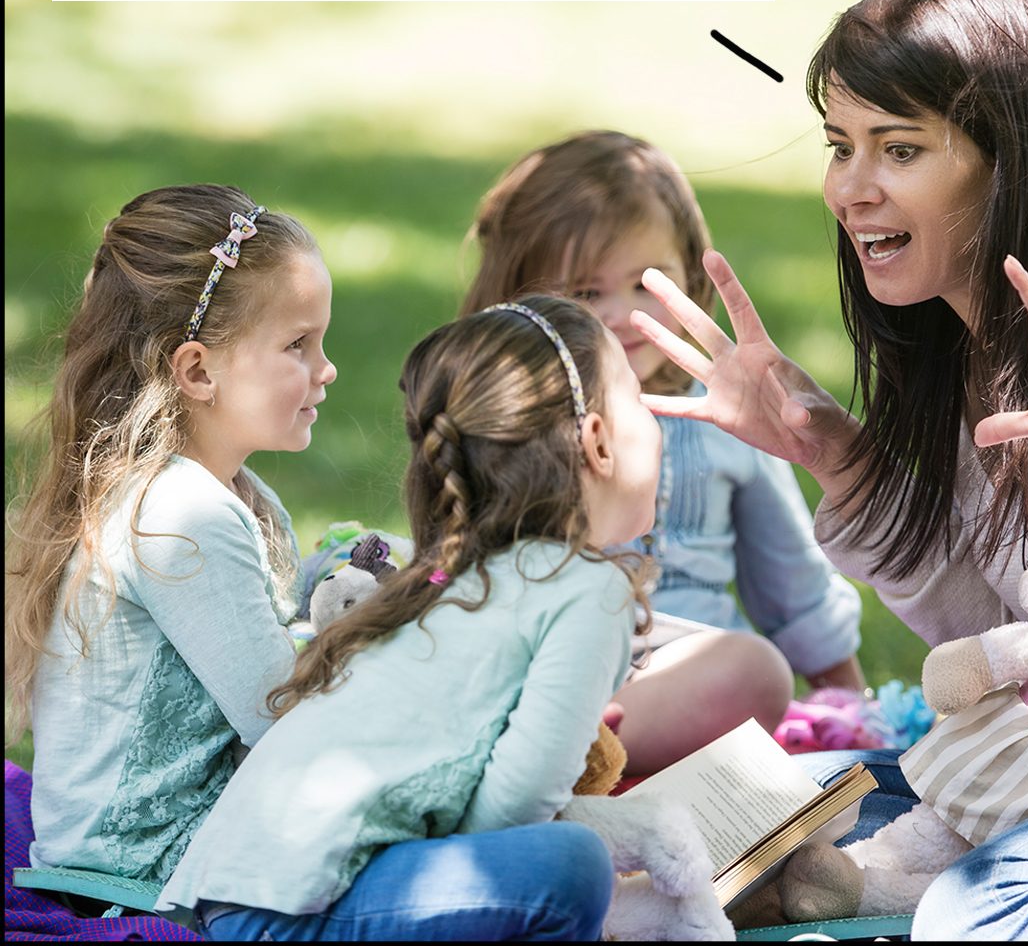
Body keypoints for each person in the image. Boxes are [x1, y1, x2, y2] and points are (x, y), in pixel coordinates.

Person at [631, 0, 1028, 940]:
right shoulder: (963, 344)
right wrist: (840, 460)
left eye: (899, 149)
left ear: (1004, 159)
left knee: (980, 913)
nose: (851, 189)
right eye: (840, 145)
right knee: (742, 809)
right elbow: (1004, 631)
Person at [155, 295, 661, 941]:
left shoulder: (451, 573)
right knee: (572, 866)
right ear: (597, 442)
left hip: (228, 896)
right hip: (292, 915)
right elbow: (514, 808)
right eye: (642, 401)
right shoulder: (587, 589)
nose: (655, 419)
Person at [461, 131, 865, 774]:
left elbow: (789, 577)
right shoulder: (502, 421)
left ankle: (571, 765)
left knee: (751, 673)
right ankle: (558, 759)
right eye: (587, 294)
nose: (623, 315)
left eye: (648, 284)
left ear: (687, 272)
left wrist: (850, 707)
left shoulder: (728, 416)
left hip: (687, 684)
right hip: (549, 675)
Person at [4, 184, 337, 885]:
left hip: (198, 843)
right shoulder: (178, 516)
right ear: (197, 370)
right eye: (298, 345)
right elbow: (283, 724)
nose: (326, 370)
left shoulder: (241, 496)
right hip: (144, 868)